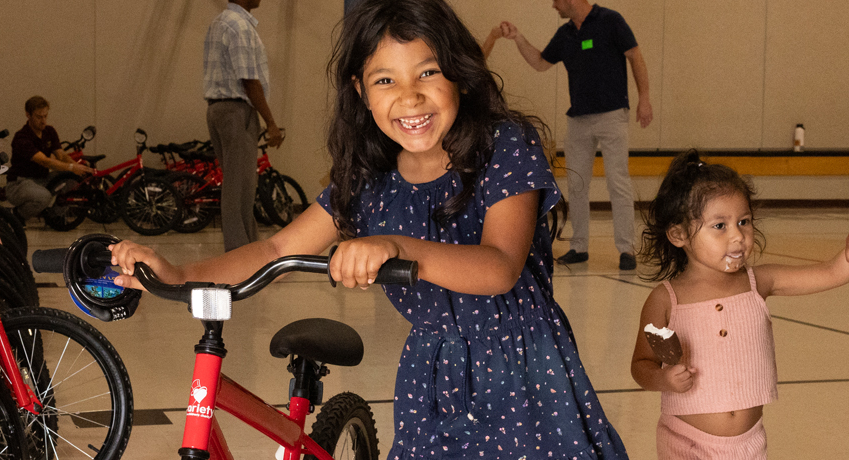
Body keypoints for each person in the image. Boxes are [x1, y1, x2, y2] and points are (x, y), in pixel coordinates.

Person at [113, 0, 628, 457]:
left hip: (521, 368)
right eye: (386, 80)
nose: (409, 97)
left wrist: (394, 246)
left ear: (460, 76)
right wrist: (178, 273)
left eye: (427, 73)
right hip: (432, 372)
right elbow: (277, 248)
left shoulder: (504, 146)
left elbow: (499, 267)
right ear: (360, 91)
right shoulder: (368, 180)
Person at [630, 151, 849, 459]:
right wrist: (663, 378)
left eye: (743, 221)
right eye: (720, 225)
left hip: (749, 445)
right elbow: (641, 365)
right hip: (685, 443)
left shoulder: (760, 281)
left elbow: (833, 272)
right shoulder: (666, 299)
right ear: (679, 234)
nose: (738, 236)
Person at [499, 0, 653, 270]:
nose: (553, 5)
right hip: (578, 119)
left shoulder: (610, 20)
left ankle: (626, 249)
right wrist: (518, 38)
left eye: (556, 0)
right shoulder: (566, 34)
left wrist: (645, 98)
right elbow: (540, 62)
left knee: (618, 181)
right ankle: (579, 246)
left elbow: (635, 56)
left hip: (612, 114)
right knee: (576, 184)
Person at [204, 0, 284, 251]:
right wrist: (270, 122)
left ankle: (249, 247)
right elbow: (249, 80)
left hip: (219, 109)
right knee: (240, 188)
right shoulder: (239, 26)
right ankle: (239, 253)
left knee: (239, 185)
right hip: (237, 111)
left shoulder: (220, 22)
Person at [5, 96, 93, 222]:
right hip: (20, 183)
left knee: (72, 179)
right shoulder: (22, 138)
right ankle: (16, 216)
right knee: (44, 197)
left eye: (45, 116)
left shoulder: (49, 131)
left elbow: (61, 156)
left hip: (42, 179)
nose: (43, 121)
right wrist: (72, 167)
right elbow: (44, 161)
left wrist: (78, 168)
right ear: (28, 115)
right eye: (39, 117)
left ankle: (53, 216)